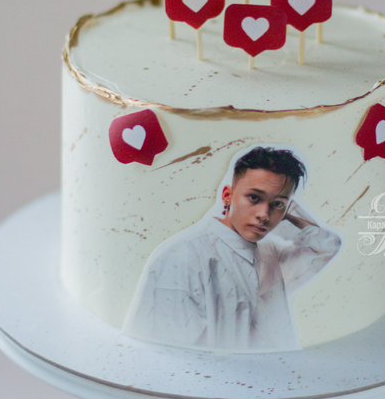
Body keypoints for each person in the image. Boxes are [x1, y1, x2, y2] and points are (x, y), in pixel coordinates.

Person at [122, 144, 342, 352]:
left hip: (278, 375)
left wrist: (288, 212)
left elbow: (326, 245)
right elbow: (167, 348)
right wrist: (278, 203)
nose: (264, 215)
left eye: (276, 205)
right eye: (254, 198)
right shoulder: (184, 255)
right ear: (227, 196)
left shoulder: (271, 253)